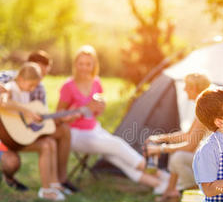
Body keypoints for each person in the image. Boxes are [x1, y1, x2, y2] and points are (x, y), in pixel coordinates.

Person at [57, 45, 169, 193]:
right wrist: (78, 112)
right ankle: (162, 175)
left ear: (94, 66)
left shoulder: (96, 82)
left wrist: (99, 107)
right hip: (74, 134)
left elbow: (97, 110)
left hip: (94, 129)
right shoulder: (68, 86)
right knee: (117, 145)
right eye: (81, 64)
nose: (84, 68)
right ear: (75, 65)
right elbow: (58, 116)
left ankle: (158, 184)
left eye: (88, 64)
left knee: (114, 156)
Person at [0, 50, 77, 193]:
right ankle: (28, 184)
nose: (37, 84)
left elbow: (39, 116)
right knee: (12, 162)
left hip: (21, 133)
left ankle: (56, 183)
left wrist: (57, 119)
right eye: (37, 72)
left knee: (55, 137)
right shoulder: (10, 82)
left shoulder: (34, 87)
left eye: (42, 75)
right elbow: (5, 102)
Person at [146, 73, 211, 202]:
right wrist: (162, 139)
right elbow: (188, 135)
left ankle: (195, 200)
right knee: (175, 150)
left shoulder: (206, 108)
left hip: (215, 162)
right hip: (209, 156)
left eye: (187, 86)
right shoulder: (203, 105)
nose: (184, 89)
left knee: (178, 157)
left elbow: (191, 145)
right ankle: (171, 193)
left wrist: (160, 148)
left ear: (194, 88)